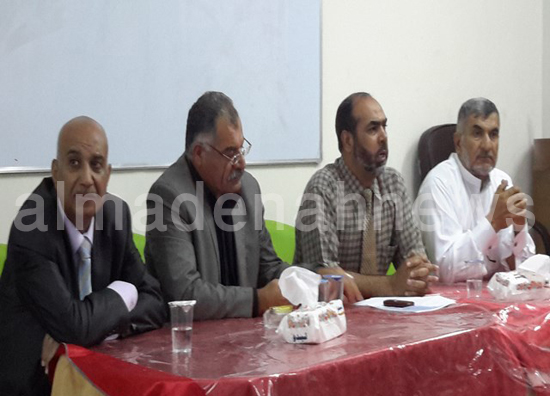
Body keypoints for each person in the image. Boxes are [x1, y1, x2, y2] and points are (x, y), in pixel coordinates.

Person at [0, 116, 166, 396]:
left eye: (96, 165)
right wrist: (124, 293)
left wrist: (98, 329)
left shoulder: (115, 215)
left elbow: (155, 301)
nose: (87, 178)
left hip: (94, 389)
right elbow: (75, 326)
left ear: (108, 174)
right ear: (56, 172)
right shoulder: (32, 227)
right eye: (74, 163)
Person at [145, 91, 289, 320]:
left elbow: (268, 267)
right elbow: (185, 295)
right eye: (231, 153)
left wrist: (313, 277)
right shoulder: (168, 196)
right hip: (189, 338)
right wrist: (257, 300)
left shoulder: (249, 188)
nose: (241, 163)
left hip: (244, 334)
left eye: (241, 148)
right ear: (199, 154)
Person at [295, 92, 438, 301]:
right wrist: (389, 285)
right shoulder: (323, 188)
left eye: (384, 127)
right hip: (331, 314)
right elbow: (325, 277)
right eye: (373, 129)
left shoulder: (393, 184)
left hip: (382, 313)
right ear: (347, 140)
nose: (383, 137)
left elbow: (415, 264)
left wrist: (418, 275)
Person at [414, 98, 535, 284]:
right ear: (458, 142)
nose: (487, 145)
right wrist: (492, 222)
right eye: (477, 134)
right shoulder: (438, 184)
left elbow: (523, 271)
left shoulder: (502, 182)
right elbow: (445, 271)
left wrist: (519, 231)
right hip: (447, 299)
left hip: (492, 294)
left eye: (493, 135)